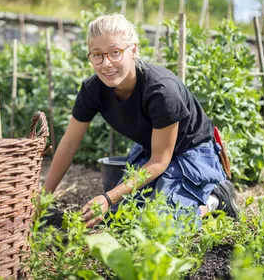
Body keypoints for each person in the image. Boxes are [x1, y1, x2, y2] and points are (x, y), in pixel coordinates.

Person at [42, 14, 238, 228]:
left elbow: (160, 161)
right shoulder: (93, 89)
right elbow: (69, 144)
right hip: (153, 150)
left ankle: (215, 199)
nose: (106, 64)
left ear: (133, 50)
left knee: (159, 226)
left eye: (115, 53)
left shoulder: (161, 91)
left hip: (192, 154)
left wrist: (108, 198)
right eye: (97, 55)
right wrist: (43, 201)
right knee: (119, 221)